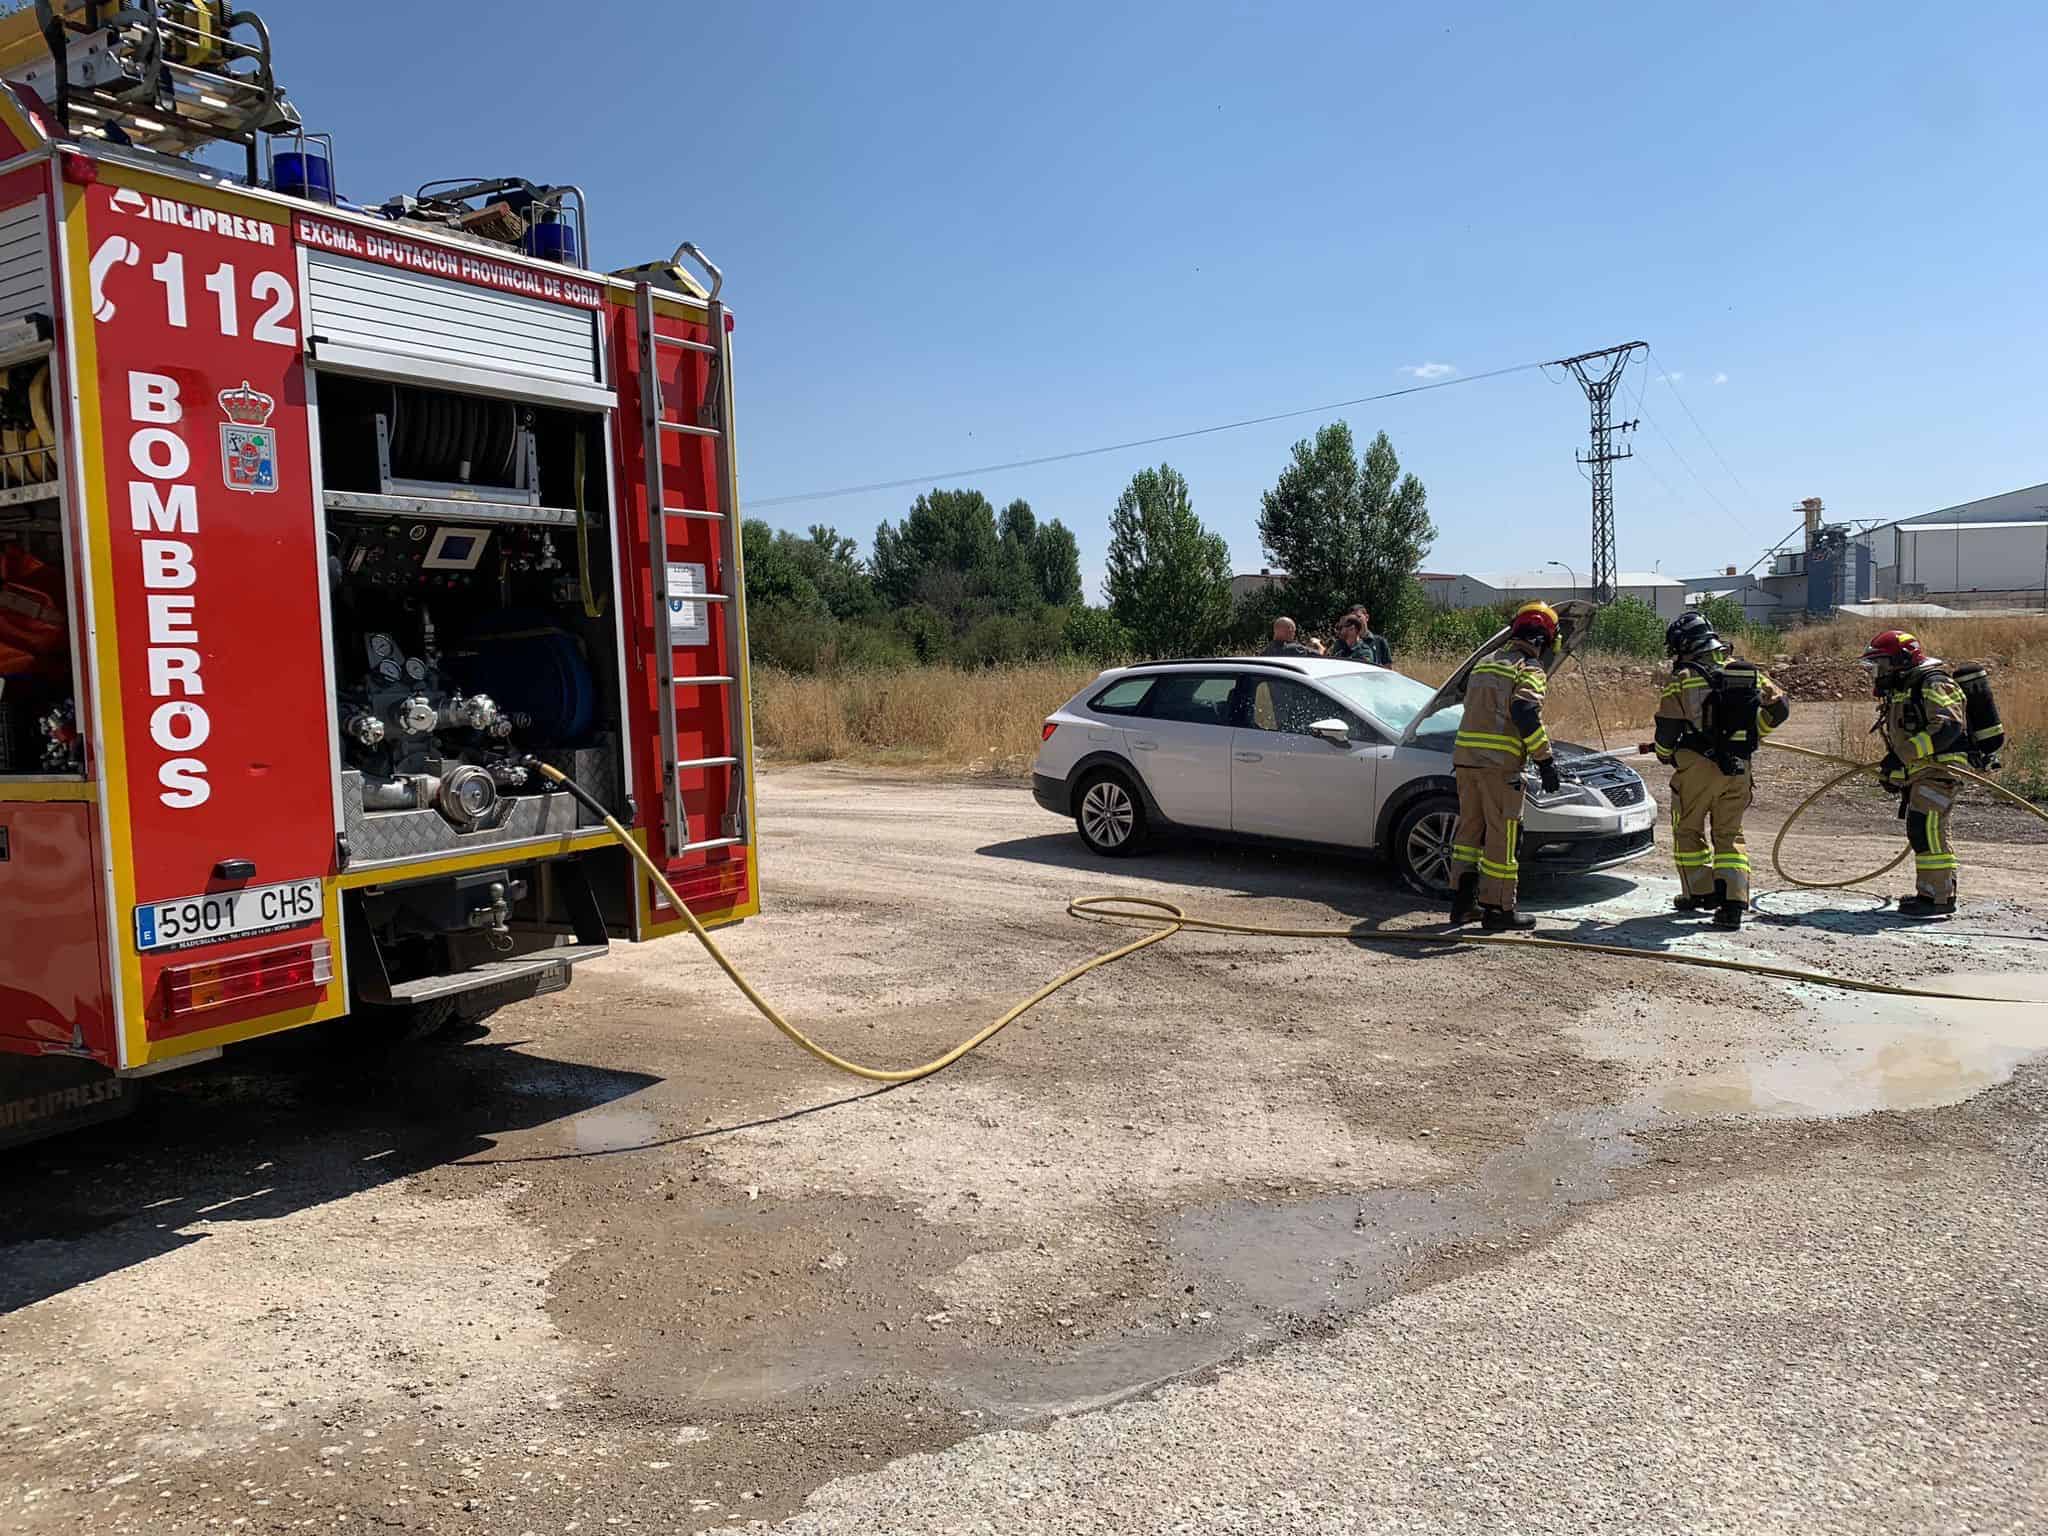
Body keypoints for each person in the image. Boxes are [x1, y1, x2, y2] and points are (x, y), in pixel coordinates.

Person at [1651, 613, 1791, 930]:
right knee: (1729, 834)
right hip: (1739, 767)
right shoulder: (1747, 673)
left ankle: (1700, 893)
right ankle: (1732, 904)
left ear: (1685, 646)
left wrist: (1664, 754)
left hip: (1697, 768)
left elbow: (1667, 727)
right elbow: (1780, 708)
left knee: (1687, 829)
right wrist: (1756, 734)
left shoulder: (1684, 678)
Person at [1447, 601, 1559, 931]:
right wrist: (1546, 760)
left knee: (1469, 833)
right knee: (1502, 837)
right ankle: (1498, 910)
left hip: (1466, 762)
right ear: (1543, 641)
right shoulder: (1530, 669)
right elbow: (1524, 712)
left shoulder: (1484, 664)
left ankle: (1462, 905)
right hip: (1500, 770)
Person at [1866, 629, 1969, 918]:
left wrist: (1900, 758)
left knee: (1927, 830)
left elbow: (1947, 727)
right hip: (1924, 770)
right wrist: (1896, 771)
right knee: (1924, 829)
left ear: (1901, 660)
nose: (1878, 673)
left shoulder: (1933, 683)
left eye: (1882, 665)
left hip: (1942, 769)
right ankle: (1932, 893)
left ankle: (1937, 899)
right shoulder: (1905, 686)